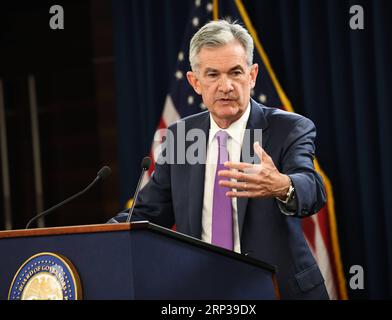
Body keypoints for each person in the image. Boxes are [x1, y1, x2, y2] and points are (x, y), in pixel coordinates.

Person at [109, 20, 328, 300]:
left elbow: (312, 187)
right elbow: (149, 212)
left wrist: (282, 185)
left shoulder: (287, 129)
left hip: (278, 290)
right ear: (195, 82)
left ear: (252, 75)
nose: (225, 86)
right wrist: (96, 238)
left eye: (235, 72)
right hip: (207, 291)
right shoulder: (184, 136)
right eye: (212, 75)